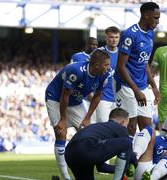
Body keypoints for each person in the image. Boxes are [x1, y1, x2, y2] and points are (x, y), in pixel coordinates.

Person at [45, 49, 111, 180]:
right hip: (55, 98)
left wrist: (87, 118)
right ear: (96, 65)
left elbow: (98, 95)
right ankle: (65, 177)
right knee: (61, 132)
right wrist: (63, 119)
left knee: (88, 135)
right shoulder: (76, 71)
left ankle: (85, 173)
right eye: (106, 65)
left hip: (76, 102)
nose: (108, 68)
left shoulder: (104, 75)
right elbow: (64, 95)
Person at [113, 2, 161, 136]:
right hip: (125, 85)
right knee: (131, 126)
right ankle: (125, 157)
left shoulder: (151, 33)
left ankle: (144, 157)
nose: (158, 21)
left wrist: (154, 86)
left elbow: (144, 62)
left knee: (147, 128)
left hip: (142, 85)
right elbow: (120, 66)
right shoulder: (130, 34)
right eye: (155, 18)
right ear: (146, 15)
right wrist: (136, 91)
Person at [65, 108, 133, 180]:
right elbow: (130, 150)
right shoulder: (119, 127)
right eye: (126, 125)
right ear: (122, 123)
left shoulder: (100, 131)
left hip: (70, 153)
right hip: (86, 147)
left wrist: (121, 168)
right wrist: (134, 164)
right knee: (127, 142)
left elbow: (101, 168)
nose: (126, 128)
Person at [95, 26, 120, 123]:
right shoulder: (98, 53)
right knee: (103, 127)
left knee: (118, 128)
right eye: (111, 37)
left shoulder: (123, 54)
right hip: (102, 98)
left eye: (116, 37)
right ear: (106, 38)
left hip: (119, 98)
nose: (114, 40)